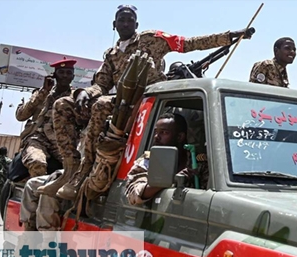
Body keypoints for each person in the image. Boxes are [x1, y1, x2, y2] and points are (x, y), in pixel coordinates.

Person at [38, 4, 252, 200]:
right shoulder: (111, 54)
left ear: (136, 24)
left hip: (150, 99)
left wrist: (229, 36)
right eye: (121, 20)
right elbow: (101, 84)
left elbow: (189, 44)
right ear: (114, 25)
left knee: (102, 104)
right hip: (121, 102)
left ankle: (87, 171)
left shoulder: (153, 39)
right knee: (63, 104)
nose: (125, 24)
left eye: (129, 20)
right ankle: (71, 168)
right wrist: (83, 93)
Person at [125, 113, 208, 205]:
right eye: (156, 132)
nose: (156, 137)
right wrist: (170, 180)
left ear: (179, 137)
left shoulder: (197, 161)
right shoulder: (148, 160)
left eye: (164, 132)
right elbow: (134, 194)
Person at [16, 58, 76, 177]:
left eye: (69, 73)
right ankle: (36, 193)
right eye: (61, 72)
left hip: (62, 141)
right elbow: (21, 116)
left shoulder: (76, 97)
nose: (65, 76)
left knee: (75, 168)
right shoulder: (41, 93)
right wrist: (43, 92)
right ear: (54, 75)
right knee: (37, 162)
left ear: (73, 76)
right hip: (37, 138)